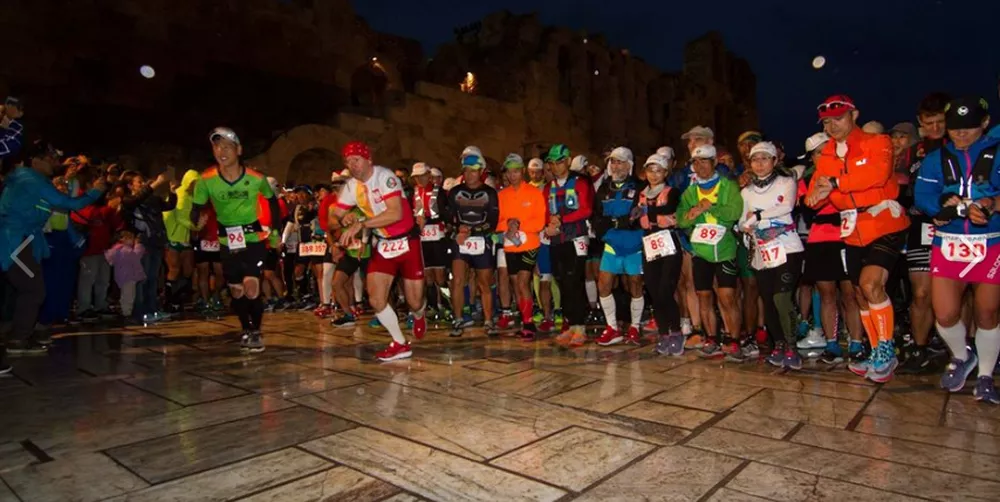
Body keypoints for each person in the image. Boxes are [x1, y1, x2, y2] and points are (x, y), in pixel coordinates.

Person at [806, 95, 910, 383]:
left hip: (883, 221)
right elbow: (815, 194)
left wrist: (836, 184)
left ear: (854, 115)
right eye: (827, 122)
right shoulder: (828, 152)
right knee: (859, 294)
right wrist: (819, 194)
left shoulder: (877, 142)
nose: (832, 126)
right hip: (851, 228)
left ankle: (886, 350)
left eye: (838, 119)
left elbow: (876, 175)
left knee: (870, 284)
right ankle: (875, 350)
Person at [914, 96, 1000, 403]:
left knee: (987, 311)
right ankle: (962, 356)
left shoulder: (996, 152)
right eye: (954, 128)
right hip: (949, 243)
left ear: (985, 124)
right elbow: (923, 195)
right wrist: (941, 205)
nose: (961, 134)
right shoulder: (935, 158)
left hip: (990, 242)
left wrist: (991, 203)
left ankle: (986, 376)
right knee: (945, 313)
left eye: (969, 127)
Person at [0, 139, 106, 361]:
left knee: (23, 290)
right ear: (35, 160)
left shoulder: (28, 178)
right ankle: (18, 338)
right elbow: (68, 204)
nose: (54, 162)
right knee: (33, 290)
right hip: (15, 242)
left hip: (22, 240)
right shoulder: (31, 179)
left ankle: (17, 334)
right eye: (50, 158)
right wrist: (95, 191)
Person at [332, 140, 427, 361]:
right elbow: (333, 215)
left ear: (368, 160)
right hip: (384, 244)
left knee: (414, 302)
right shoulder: (351, 186)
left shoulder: (385, 177)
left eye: (356, 160)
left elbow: (395, 213)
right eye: (348, 161)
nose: (352, 165)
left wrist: (361, 224)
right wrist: (343, 218)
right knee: (375, 299)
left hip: (407, 242)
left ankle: (420, 313)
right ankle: (400, 343)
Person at [191, 127, 281, 353]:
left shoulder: (256, 178)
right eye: (217, 147)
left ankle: (256, 332)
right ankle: (246, 328)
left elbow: (272, 202)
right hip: (227, 241)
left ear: (238, 150)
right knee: (236, 290)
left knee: (251, 286)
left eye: (227, 147)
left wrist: (276, 232)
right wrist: (196, 221)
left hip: (253, 238)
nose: (221, 152)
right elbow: (196, 208)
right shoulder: (206, 180)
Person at [795, 133, 865, 363]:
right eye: (818, 153)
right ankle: (831, 343)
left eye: (828, 150)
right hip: (820, 240)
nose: (824, 155)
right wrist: (827, 192)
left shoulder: (848, 174)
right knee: (826, 294)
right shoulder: (806, 181)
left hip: (847, 237)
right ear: (811, 157)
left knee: (850, 293)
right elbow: (808, 209)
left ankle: (856, 343)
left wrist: (831, 189)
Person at [739, 142, 805, 369]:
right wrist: (746, 226)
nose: (759, 163)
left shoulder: (786, 182)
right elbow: (741, 221)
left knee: (781, 297)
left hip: (787, 248)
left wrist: (757, 216)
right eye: (755, 159)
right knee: (767, 299)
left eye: (765, 158)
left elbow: (786, 207)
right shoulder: (746, 191)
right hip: (762, 251)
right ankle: (778, 344)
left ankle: (792, 346)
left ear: (775, 161)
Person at [898, 92, 951, 374]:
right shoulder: (911, 153)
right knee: (920, 293)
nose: (935, 128)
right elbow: (898, 188)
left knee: (957, 291)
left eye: (940, 121)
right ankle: (919, 348)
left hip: (957, 226)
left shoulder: (960, 146)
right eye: (929, 123)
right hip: (920, 225)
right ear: (920, 122)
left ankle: (961, 349)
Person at [676, 144, 743, 358]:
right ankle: (711, 338)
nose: (700, 166)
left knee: (727, 296)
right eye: (695, 162)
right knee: (703, 296)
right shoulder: (690, 191)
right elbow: (681, 219)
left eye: (704, 161)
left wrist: (709, 207)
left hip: (724, 249)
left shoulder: (727, 186)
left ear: (714, 162)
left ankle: (734, 340)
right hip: (701, 251)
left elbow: (734, 212)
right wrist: (692, 215)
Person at [592, 147, 646, 346]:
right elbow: (597, 217)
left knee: (635, 284)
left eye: (621, 162)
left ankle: (635, 327)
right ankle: (612, 327)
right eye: (613, 162)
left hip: (634, 244)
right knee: (603, 284)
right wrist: (616, 223)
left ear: (629, 165)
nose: (616, 166)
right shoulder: (603, 188)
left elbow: (636, 218)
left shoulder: (640, 187)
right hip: (611, 244)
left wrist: (618, 221)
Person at [444, 150, 500, 337]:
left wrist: (471, 231)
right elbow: (449, 217)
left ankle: (488, 320)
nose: (469, 175)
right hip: (461, 241)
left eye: (473, 171)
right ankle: (458, 319)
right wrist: (457, 229)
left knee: (484, 283)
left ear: (481, 172)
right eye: (466, 171)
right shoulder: (455, 192)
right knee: (458, 281)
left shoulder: (489, 193)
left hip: (481, 240)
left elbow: (492, 221)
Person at [545, 144, 595, 347]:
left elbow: (586, 209)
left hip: (576, 237)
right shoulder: (549, 187)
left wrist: (561, 220)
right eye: (552, 163)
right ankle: (571, 323)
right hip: (557, 239)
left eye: (559, 162)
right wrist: (549, 225)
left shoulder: (580, 182)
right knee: (561, 280)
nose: (555, 167)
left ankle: (580, 326)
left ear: (567, 161)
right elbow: (546, 211)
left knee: (574, 279)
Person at [638, 153, 684, 355]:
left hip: (667, 242)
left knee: (666, 289)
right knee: (654, 291)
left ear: (665, 172)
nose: (654, 175)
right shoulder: (641, 194)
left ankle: (676, 331)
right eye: (650, 170)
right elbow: (634, 216)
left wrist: (646, 211)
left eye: (658, 171)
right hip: (649, 242)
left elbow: (670, 208)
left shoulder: (672, 192)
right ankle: (664, 333)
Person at [497, 153, 546, 340]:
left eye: (516, 171)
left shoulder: (534, 193)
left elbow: (540, 221)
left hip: (530, 244)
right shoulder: (502, 195)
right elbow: (497, 221)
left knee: (523, 282)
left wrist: (519, 224)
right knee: (515, 283)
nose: (512, 175)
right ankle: (525, 320)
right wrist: (507, 224)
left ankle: (529, 323)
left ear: (523, 171)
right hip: (510, 245)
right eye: (509, 172)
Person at [119, 170, 174, 323]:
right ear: (130, 185)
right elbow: (135, 201)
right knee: (141, 279)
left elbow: (169, 205)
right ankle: (140, 312)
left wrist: (173, 192)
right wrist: (155, 184)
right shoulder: (128, 200)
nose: (143, 184)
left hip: (156, 241)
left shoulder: (152, 200)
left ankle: (152, 310)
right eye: (139, 182)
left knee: (153, 278)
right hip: (141, 242)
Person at [410, 162, 449, 320]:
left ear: (428, 175)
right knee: (428, 277)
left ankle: (446, 305)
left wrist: (428, 219)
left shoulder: (439, 192)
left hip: (437, 237)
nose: (420, 179)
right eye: (416, 177)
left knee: (440, 276)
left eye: (422, 176)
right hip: (422, 239)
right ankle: (432, 307)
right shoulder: (413, 192)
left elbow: (445, 213)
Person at [163, 169, 203, 313]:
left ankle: (176, 298)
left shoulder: (192, 197)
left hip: (185, 238)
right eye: (194, 183)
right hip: (173, 237)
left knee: (187, 270)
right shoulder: (181, 195)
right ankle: (169, 301)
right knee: (174, 270)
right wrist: (196, 227)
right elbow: (180, 217)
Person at [104, 230, 146, 321]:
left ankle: (125, 311)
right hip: (129, 276)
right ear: (124, 239)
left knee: (125, 295)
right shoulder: (126, 250)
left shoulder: (116, 250)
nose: (132, 241)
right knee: (128, 296)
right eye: (131, 239)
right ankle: (127, 313)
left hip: (123, 276)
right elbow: (136, 255)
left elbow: (109, 258)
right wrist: (139, 245)